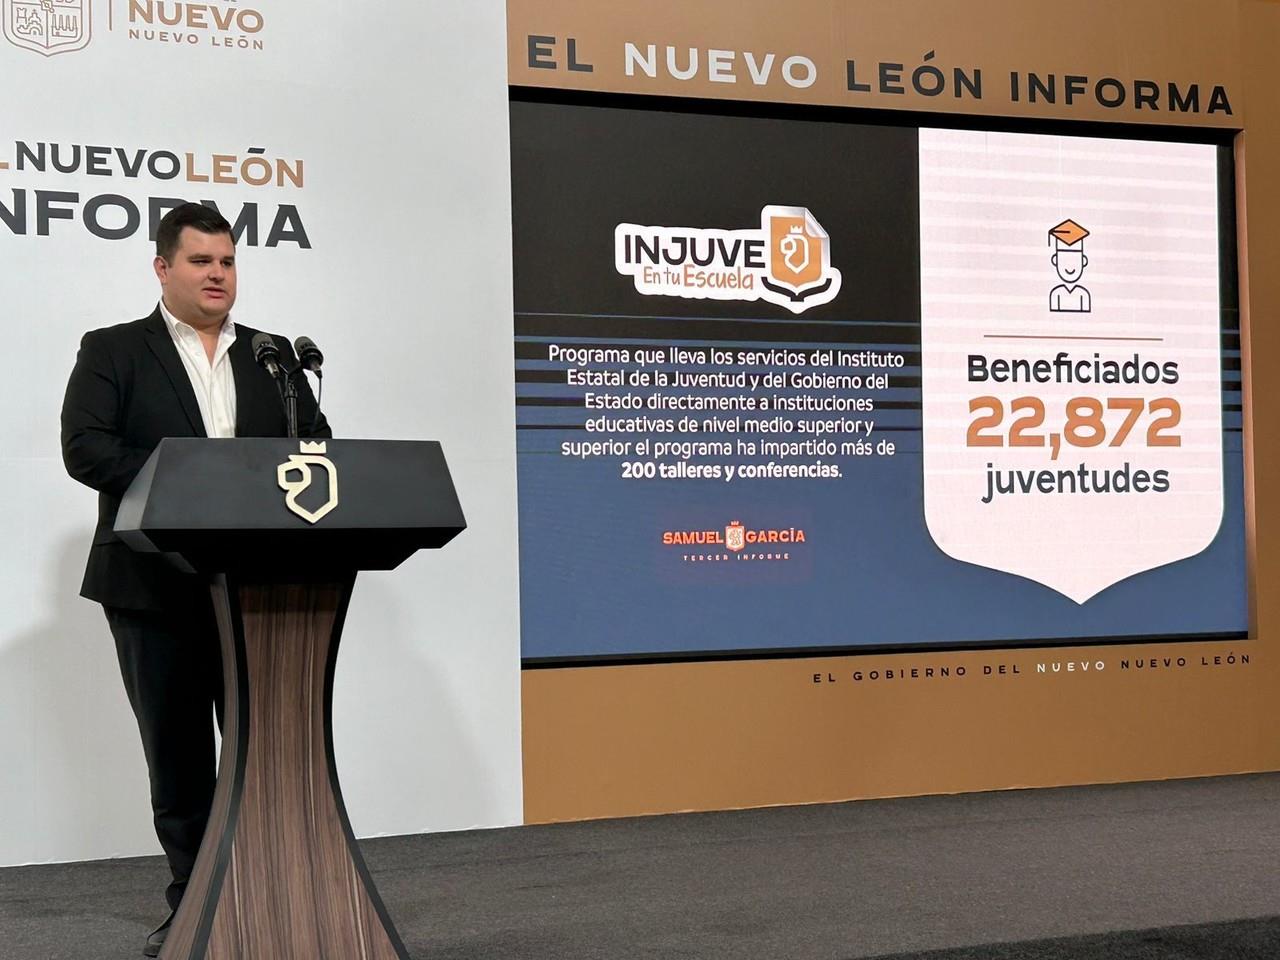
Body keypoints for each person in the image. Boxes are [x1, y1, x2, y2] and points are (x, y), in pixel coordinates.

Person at [60, 203, 331, 957]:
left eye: (228, 262)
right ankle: (199, 903)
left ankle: (278, 891)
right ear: (162, 267)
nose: (218, 275)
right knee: (178, 758)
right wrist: (191, 486)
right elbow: (87, 450)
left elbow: (317, 450)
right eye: (202, 261)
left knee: (269, 751)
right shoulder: (114, 350)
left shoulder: (273, 356)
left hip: (263, 589)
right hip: (152, 585)